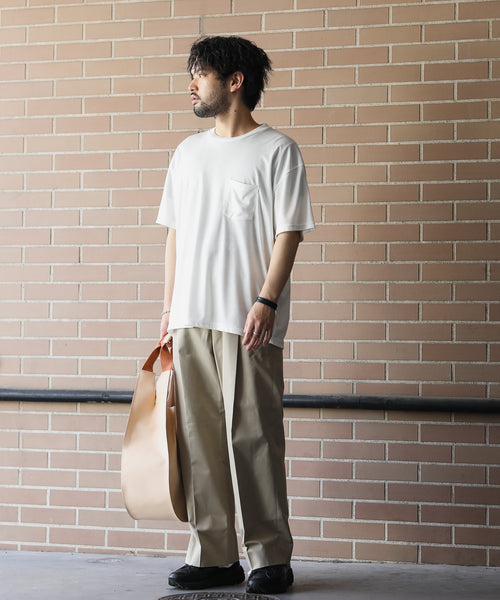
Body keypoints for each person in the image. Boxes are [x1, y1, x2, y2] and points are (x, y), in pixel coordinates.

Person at [156, 35, 314, 595]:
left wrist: (267, 300)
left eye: (200, 74)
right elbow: (175, 234)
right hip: (190, 316)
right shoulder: (186, 153)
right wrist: (169, 308)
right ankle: (213, 555)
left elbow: (288, 232)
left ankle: (271, 557)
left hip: (248, 318)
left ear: (234, 81)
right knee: (197, 438)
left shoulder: (277, 151)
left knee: (255, 435)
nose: (191, 84)